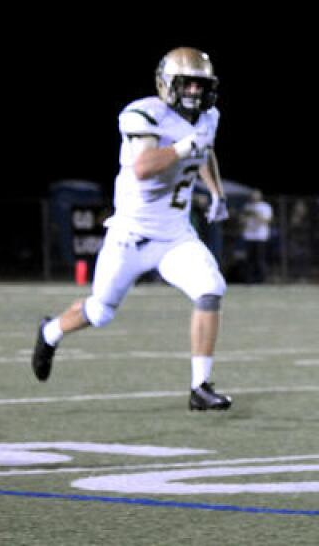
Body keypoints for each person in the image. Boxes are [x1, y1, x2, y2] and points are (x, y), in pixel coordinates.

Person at [31, 47, 234, 411]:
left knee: (210, 288)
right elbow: (144, 166)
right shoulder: (143, 114)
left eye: (200, 86)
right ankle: (50, 332)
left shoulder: (208, 117)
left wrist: (216, 191)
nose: (194, 93)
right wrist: (184, 147)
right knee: (100, 312)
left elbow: (206, 151)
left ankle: (200, 386)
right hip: (131, 236)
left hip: (175, 237)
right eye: (187, 84)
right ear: (166, 84)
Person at [240, 189, 273, 284]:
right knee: (249, 260)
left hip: (260, 237)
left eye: (256, 195)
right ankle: (249, 280)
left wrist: (255, 213)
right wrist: (245, 217)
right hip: (249, 236)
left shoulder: (265, 206)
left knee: (260, 260)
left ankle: (261, 280)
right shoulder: (246, 206)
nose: (254, 197)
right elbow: (242, 221)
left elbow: (267, 220)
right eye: (253, 194)